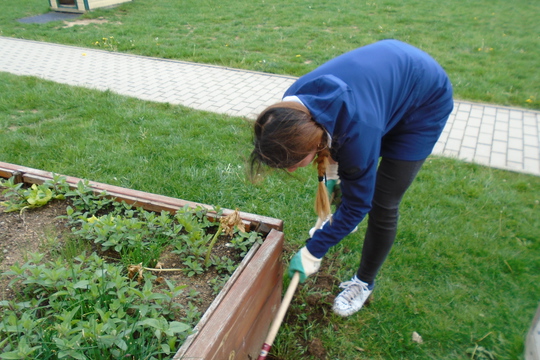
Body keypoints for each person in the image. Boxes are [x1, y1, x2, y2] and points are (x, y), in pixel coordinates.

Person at [249, 39, 453, 317]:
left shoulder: (358, 131)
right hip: (383, 83)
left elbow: (359, 205)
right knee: (350, 166)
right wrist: (331, 176)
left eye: (294, 164)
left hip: (424, 99)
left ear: (311, 144)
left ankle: (364, 282)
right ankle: (340, 221)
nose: (293, 170)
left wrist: (313, 251)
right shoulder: (288, 110)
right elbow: (328, 139)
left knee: (383, 201)